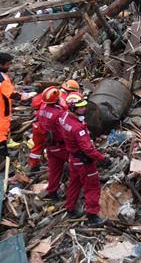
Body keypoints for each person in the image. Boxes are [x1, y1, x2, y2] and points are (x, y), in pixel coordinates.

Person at [59, 93, 110, 226]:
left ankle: (70, 209)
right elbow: (88, 149)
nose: (84, 109)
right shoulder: (78, 128)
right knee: (92, 187)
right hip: (84, 161)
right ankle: (92, 216)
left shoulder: (64, 117)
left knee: (74, 183)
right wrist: (102, 158)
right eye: (80, 107)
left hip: (73, 159)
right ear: (72, 108)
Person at [0, 52, 34, 156]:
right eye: (8, 64)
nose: (9, 66)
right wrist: (28, 95)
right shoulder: (2, 79)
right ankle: (3, 151)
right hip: (2, 107)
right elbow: (13, 95)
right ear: (1, 64)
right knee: (3, 130)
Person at [29, 86, 68, 201]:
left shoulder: (42, 110)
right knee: (78, 166)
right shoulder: (58, 113)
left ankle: (53, 193)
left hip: (50, 146)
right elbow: (64, 130)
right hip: (61, 146)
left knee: (54, 171)